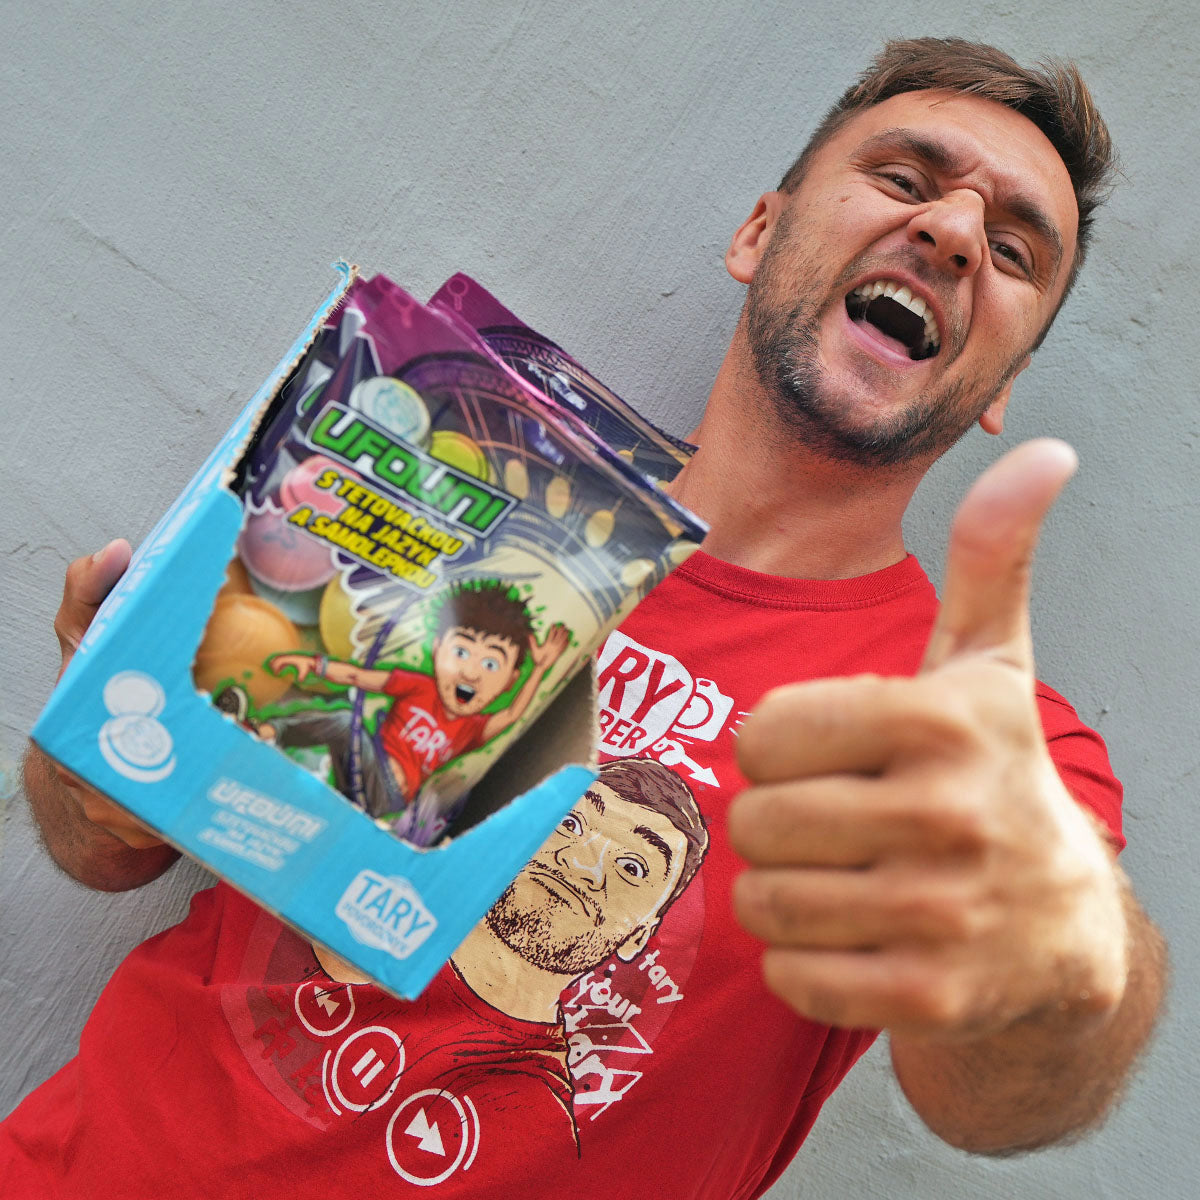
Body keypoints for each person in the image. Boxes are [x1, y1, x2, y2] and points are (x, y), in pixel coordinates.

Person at [5, 35, 1167, 1200]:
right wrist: (99, 743)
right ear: (758, 233)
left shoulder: (983, 732)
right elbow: (103, 844)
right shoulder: (456, 488)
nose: (954, 232)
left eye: (1012, 251)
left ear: (1003, 384)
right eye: (905, 178)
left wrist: (1032, 915)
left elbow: (1018, 1084)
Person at [262, 578, 570, 840]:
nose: (470, 673)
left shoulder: (472, 729)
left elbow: (512, 715)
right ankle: (269, 733)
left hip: (388, 799)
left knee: (344, 724)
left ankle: (273, 733)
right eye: (461, 652)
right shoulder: (419, 687)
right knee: (343, 726)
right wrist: (314, 664)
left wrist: (540, 669)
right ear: (437, 650)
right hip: (359, 773)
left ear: (510, 680)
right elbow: (358, 676)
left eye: (490, 664)